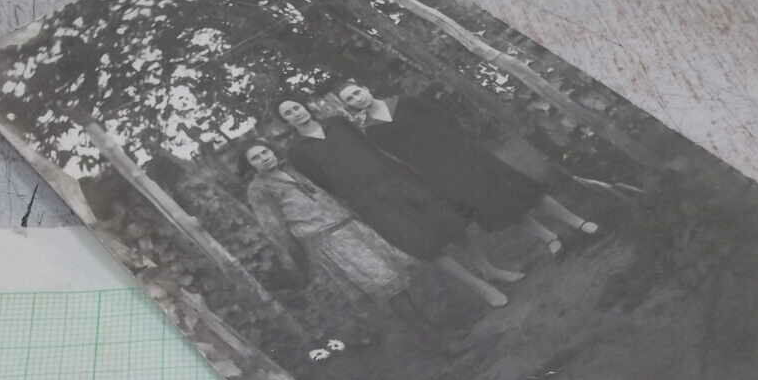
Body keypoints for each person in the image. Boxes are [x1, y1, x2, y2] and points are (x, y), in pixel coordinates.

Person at [275, 97, 517, 307]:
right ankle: (482, 289)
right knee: (423, 246)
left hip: (398, 180)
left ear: (304, 107)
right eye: (288, 113)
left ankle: (488, 269)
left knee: (453, 223)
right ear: (286, 121)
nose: (295, 113)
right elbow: (325, 183)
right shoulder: (298, 153)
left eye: (296, 107)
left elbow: (371, 145)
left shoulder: (338, 123)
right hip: (370, 202)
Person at [334, 80, 601, 256]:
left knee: (519, 187)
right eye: (350, 99)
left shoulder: (405, 102)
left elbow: (446, 120)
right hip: (441, 173)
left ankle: (576, 222)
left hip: (465, 153)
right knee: (495, 205)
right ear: (349, 106)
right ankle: (549, 238)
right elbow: (401, 158)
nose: (357, 99)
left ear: (367, 89)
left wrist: (464, 145)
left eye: (357, 92)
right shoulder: (373, 132)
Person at [242, 140, 416, 313]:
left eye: (265, 152)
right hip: (327, 237)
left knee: (391, 268)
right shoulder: (258, 189)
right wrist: (295, 253)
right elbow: (274, 227)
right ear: (251, 166)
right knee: (380, 278)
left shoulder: (292, 169)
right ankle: (417, 324)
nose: (263, 158)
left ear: (272, 151)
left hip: (348, 224)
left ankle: (417, 314)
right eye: (256, 158)